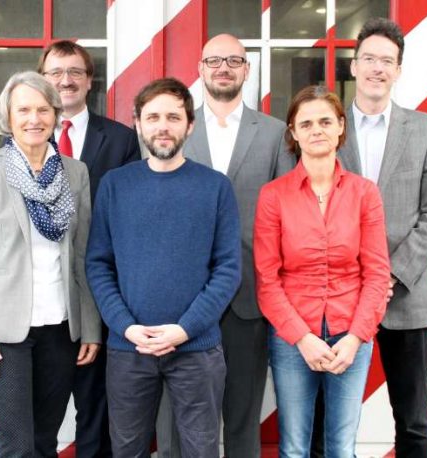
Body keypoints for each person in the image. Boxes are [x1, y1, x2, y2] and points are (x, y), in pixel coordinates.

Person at [86, 77, 241, 458]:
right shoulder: (115, 185)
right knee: (127, 449)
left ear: (190, 125)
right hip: (128, 347)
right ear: (138, 123)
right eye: (152, 116)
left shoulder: (215, 187)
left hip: (197, 348)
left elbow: (228, 269)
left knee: (201, 449)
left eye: (173, 117)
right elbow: (98, 264)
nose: (162, 126)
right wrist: (127, 327)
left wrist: (184, 329)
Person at [157, 33, 295, 458]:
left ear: (246, 70)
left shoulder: (273, 133)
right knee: (177, 419)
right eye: (213, 60)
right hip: (182, 298)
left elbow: (288, 213)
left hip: (248, 296)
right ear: (200, 69)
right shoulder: (177, 127)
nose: (223, 67)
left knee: (241, 415)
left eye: (233, 60)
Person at [0, 71, 101, 457]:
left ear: (55, 114)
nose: (34, 118)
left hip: (61, 327)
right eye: (24, 109)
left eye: (42, 109)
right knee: (16, 444)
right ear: (9, 115)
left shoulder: (75, 173)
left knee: (43, 440)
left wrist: (90, 328)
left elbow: (83, 254)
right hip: (3, 334)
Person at [337, 18, 427, 456]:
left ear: (399, 70)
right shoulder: (328, 128)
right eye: (369, 58)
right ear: (354, 66)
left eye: (388, 61)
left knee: (414, 423)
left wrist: (390, 276)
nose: (377, 68)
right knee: (327, 422)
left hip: (407, 296)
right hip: (339, 295)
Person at [254, 85, 391, 457]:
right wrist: (302, 338)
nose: (317, 130)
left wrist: (355, 338)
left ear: (341, 127)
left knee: (341, 447)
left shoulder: (365, 193)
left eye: (326, 121)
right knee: (295, 447)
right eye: (307, 123)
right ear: (294, 133)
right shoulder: (274, 196)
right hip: (293, 338)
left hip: (351, 333)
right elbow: (267, 279)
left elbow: (377, 273)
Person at [38, 40, 141, 458]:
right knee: (38, 414)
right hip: (38, 298)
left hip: (99, 294)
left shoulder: (121, 140)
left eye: (75, 72)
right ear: (41, 78)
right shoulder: (23, 138)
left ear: (90, 80)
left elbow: (130, 218)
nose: (66, 80)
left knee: (96, 411)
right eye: (56, 72)